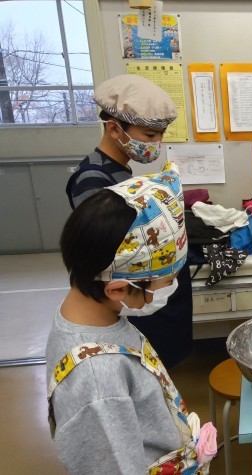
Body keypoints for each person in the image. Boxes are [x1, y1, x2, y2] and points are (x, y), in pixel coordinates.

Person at [47, 164, 214, 473]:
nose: (170, 289)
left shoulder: (93, 313)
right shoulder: (98, 383)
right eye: (167, 282)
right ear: (117, 289)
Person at [65, 74, 192, 367]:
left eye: (160, 135)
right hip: (130, 293)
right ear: (114, 128)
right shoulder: (92, 180)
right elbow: (110, 251)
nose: (157, 143)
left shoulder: (120, 171)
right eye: (149, 136)